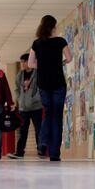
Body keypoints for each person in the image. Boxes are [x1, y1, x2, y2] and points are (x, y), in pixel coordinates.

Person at [29, 15, 73, 162]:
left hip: (44, 84)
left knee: (48, 114)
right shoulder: (61, 41)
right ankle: (54, 154)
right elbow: (69, 58)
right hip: (58, 84)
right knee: (57, 117)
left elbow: (30, 64)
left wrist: (42, 65)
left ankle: (42, 143)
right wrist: (61, 63)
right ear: (54, 27)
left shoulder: (36, 43)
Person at [8, 53, 43, 160]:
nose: (23, 64)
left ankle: (41, 149)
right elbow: (17, 90)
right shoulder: (19, 75)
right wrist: (20, 100)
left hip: (36, 107)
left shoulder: (38, 73)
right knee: (22, 131)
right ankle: (19, 152)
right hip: (24, 108)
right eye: (22, 61)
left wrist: (35, 99)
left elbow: (41, 88)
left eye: (25, 61)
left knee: (39, 129)